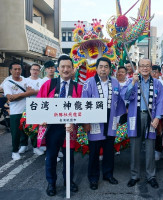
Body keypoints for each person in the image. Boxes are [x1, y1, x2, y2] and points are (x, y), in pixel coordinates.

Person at [37, 55, 82, 196]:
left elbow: (83, 110)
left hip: (70, 127)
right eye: (62, 66)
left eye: (68, 66)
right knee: (51, 156)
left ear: (73, 69)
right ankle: (51, 183)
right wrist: (41, 118)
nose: (65, 69)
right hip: (53, 128)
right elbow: (39, 104)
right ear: (58, 69)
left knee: (69, 157)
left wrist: (75, 123)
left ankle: (69, 181)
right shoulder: (48, 85)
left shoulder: (78, 88)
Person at [124, 58, 163, 189]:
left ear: (151, 68)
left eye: (147, 66)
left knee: (150, 147)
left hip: (151, 117)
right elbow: (126, 97)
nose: (145, 68)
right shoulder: (132, 81)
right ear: (138, 67)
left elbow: (161, 101)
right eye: (142, 66)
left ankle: (151, 176)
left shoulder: (157, 83)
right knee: (134, 147)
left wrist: (158, 117)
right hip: (135, 116)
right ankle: (134, 175)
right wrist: (133, 82)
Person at [82, 57, 126, 190]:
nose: (103, 69)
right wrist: (86, 122)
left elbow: (119, 103)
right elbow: (84, 103)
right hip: (95, 122)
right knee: (94, 152)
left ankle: (108, 174)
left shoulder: (115, 82)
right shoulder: (89, 83)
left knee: (109, 151)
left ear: (109, 69)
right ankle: (93, 178)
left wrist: (118, 119)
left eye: (106, 67)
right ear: (96, 68)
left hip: (111, 119)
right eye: (100, 66)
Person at [3, 62, 36, 160]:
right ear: (10, 71)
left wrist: (17, 95)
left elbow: (32, 92)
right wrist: (25, 93)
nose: (17, 71)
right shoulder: (7, 83)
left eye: (19, 69)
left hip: (28, 110)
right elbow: (10, 98)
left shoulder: (25, 80)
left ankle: (33, 147)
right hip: (15, 112)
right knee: (16, 133)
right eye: (15, 69)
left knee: (31, 130)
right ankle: (15, 151)